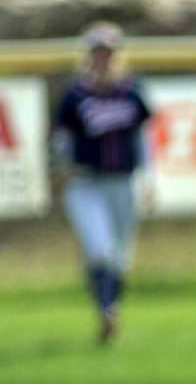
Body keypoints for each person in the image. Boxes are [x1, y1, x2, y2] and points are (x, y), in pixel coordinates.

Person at [51, 22, 153, 344]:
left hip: (123, 182)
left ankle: (110, 308)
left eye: (107, 52)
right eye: (97, 52)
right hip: (86, 182)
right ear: (88, 56)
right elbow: (61, 137)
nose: (102, 58)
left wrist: (149, 177)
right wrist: (61, 165)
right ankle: (107, 310)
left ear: (117, 55)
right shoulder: (75, 95)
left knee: (121, 256)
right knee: (99, 249)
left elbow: (143, 137)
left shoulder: (132, 92)